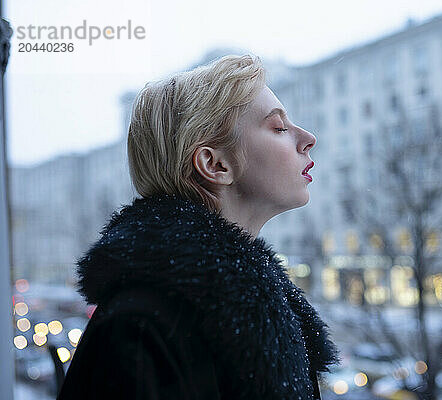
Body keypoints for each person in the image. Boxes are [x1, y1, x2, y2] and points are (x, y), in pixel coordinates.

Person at [57, 54, 341, 400]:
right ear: (215, 164)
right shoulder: (141, 327)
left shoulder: (265, 311)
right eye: (279, 127)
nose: (308, 137)